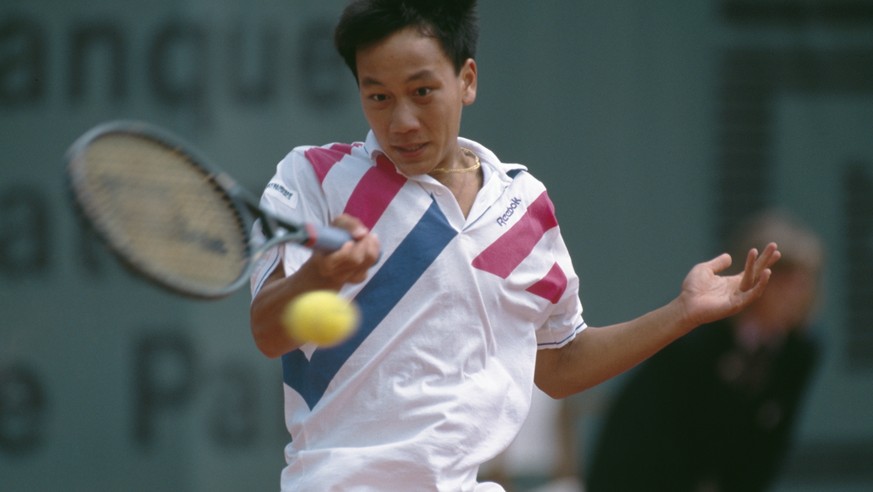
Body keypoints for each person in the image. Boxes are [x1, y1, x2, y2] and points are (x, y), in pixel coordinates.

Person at [247, 1, 780, 490]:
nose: (401, 120)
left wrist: (682, 313)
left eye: (422, 91)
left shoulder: (523, 206)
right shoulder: (315, 177)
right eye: (378, 96)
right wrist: (323, 275)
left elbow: (560, 363)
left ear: (467, 80)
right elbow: (268, 332)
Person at [585, 210, 824, 492]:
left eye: (804, 280)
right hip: (641, 473)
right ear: (752, 276)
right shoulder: (696, 334)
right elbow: (663, 432)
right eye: (783, 279)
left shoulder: (799, 353)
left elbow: (770, 447)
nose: (795, 293)